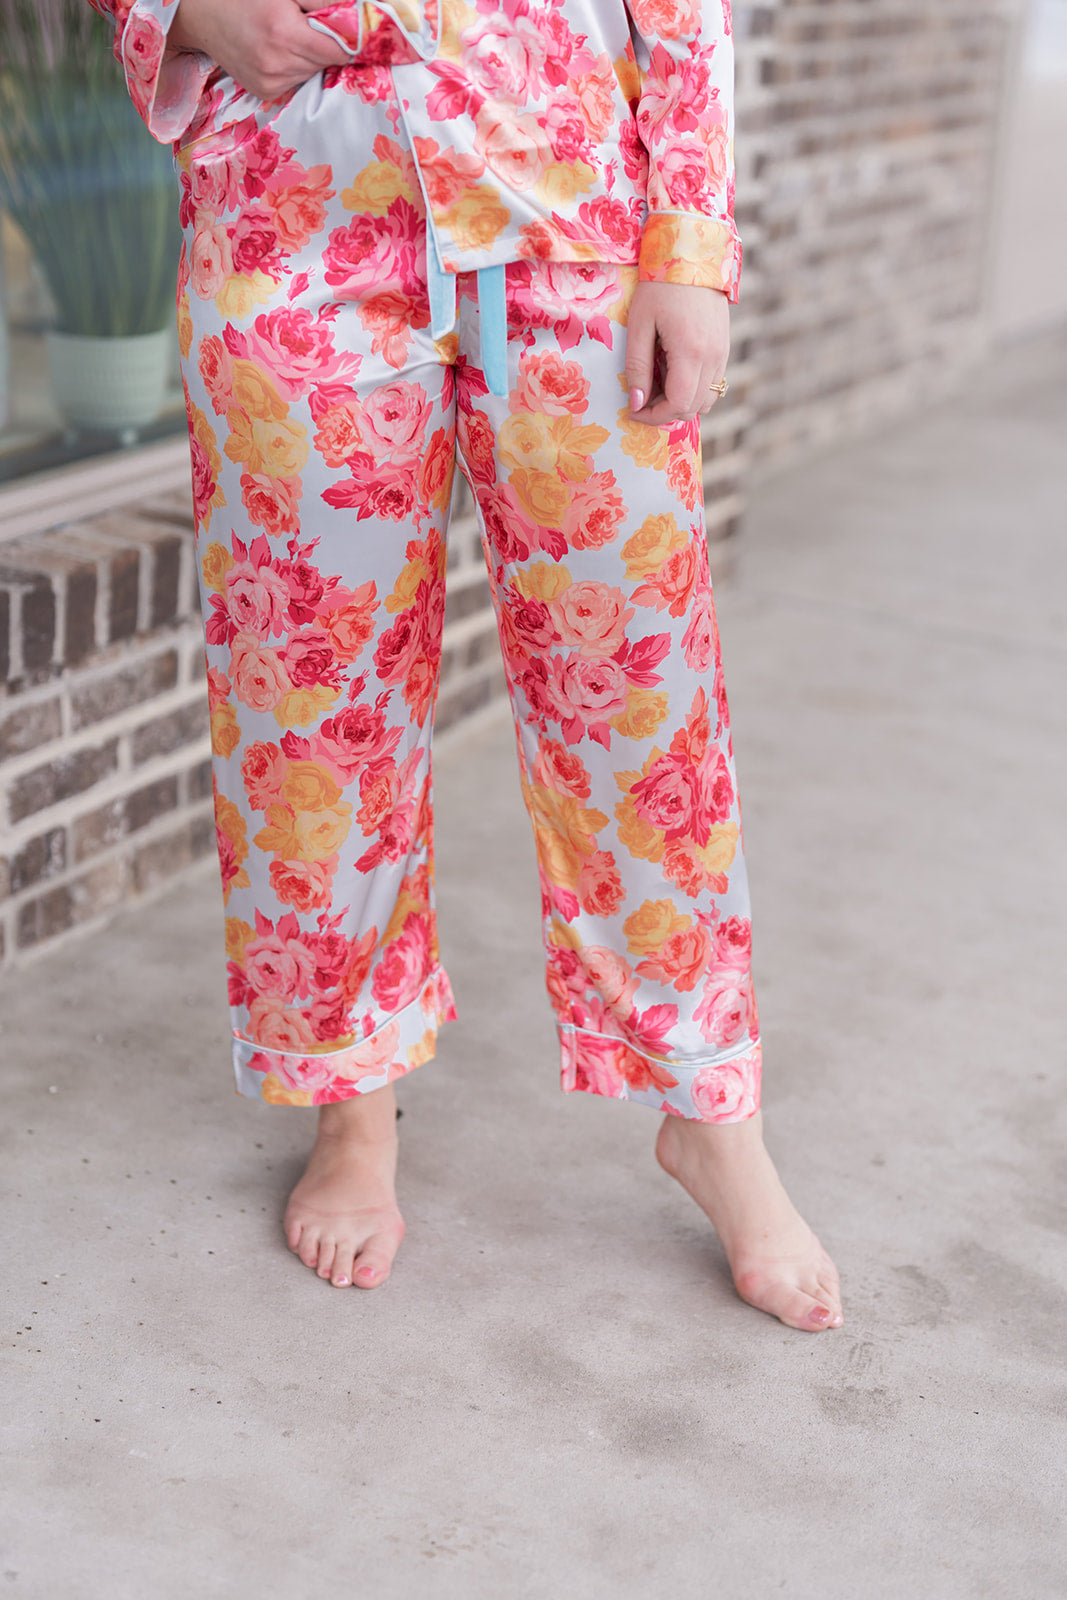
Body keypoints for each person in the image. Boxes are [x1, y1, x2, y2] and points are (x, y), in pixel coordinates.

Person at [87, 0, 842, 1330]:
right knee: (311, 704)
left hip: (567, 208)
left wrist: (689, 239)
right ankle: (351, 1104)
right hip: (294, 211)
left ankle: (709, 1109)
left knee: (641, 696)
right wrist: (184, 11)